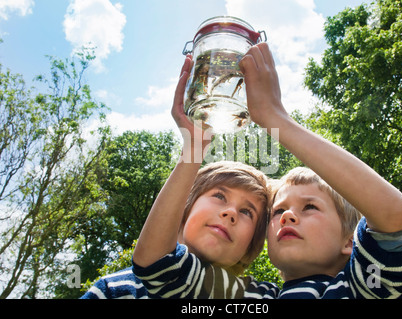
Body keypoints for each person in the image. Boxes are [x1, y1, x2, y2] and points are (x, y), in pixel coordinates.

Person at [239, 42, 402, 298]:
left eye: (310, 207)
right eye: (278, 210)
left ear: (350, 241)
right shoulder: (248, 295)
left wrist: (275, 118)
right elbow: (166, 267)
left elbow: (394, 219)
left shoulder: (367, 285)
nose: (287, 217)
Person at [82, 56, 279, 299]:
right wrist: (194, 149)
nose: (231, 213)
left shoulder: (261, 297)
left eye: (248, 212)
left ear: (253, 245)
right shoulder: (114, 290)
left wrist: (278, 118)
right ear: (184, 207)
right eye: (219, 196)